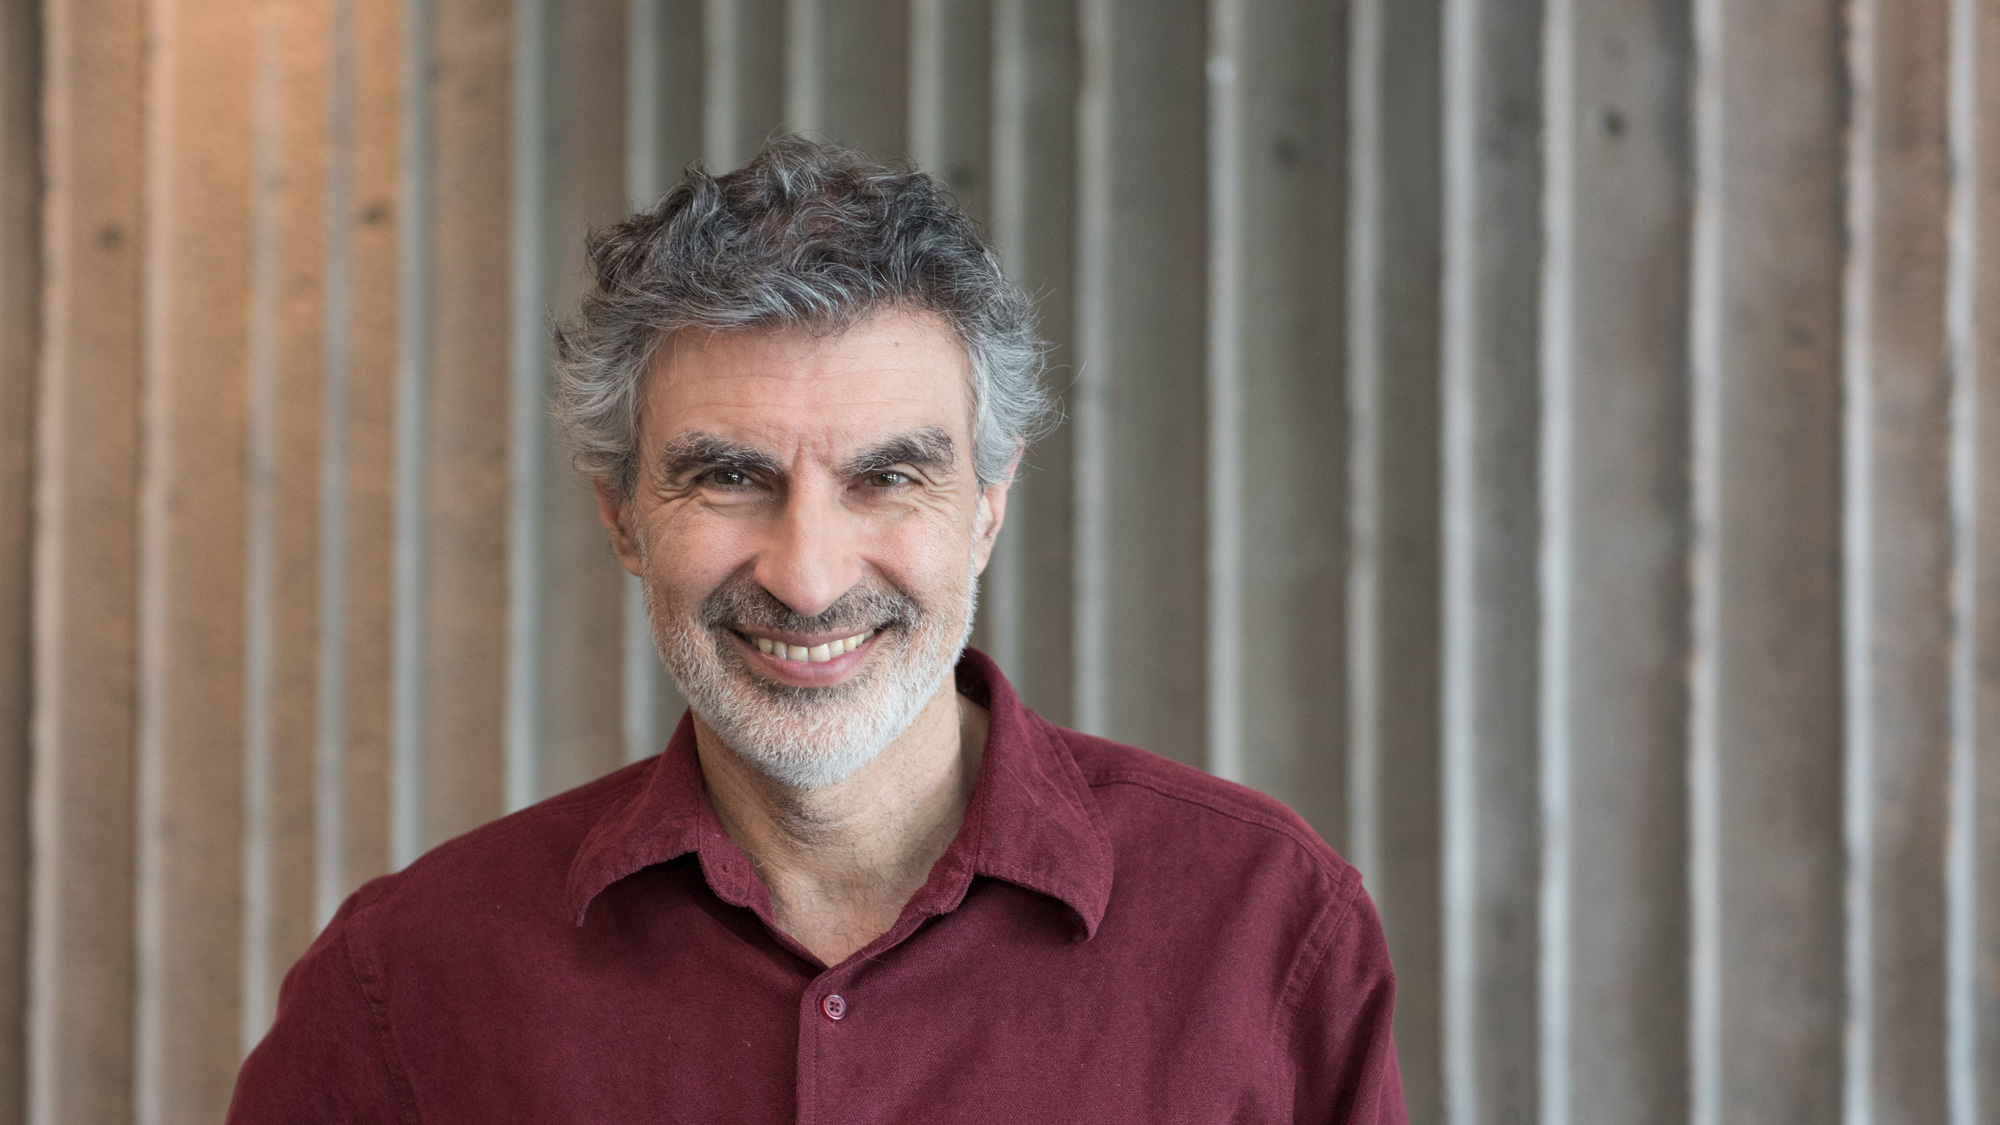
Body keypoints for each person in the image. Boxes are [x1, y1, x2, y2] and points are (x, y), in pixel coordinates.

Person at [227, 136, 1406, 1123]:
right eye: (729, 478)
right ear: (622, 516)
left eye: (887, 479)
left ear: (985, 510)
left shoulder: (1262, 928)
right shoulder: (411, 983)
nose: (805, 576)